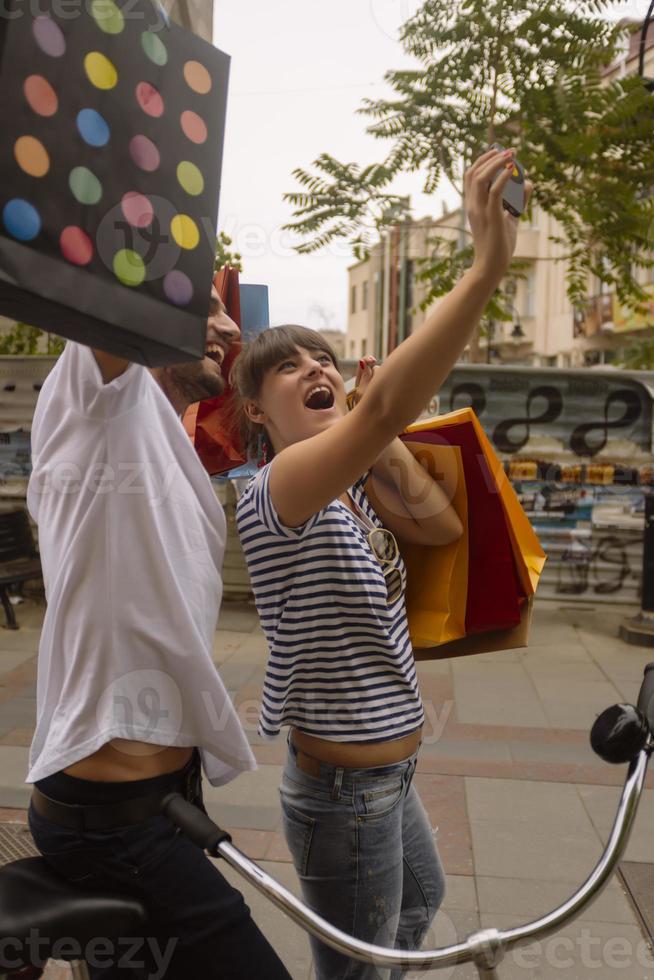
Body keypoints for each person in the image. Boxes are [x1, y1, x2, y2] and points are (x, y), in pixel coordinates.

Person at [233, 149, 531, 980]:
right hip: (345, 796)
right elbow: (391, 401)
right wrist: (485, 269)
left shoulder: (351, 487)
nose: (315, 368)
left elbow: (438, 529)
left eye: (320, 357)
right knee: (360, 968)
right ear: (257, 411)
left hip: (393, 775)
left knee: (415, 911)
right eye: (287, 366)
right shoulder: (277, 488)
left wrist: (380, 438)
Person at [24, 284, 292, 980]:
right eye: (201, 304)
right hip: (115, 821)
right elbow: (111, 286)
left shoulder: (164, 435)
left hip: (160, 799)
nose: (228, 325)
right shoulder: (99, 398)